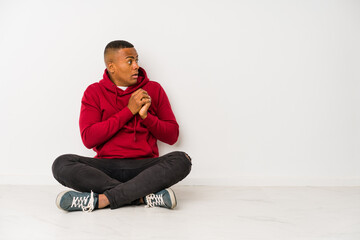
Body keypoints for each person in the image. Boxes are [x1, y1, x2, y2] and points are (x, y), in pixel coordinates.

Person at [52, 40, 192, 212]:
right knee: (61, 164)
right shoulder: (94, 92)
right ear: (112, 67)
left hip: (144, 168)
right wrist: (129, 111)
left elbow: (172, 136)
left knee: (181, 160)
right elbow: (89, 138)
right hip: (105, 169)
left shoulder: (153, 89)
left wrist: (146, 117)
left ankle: (101, 200)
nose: (136, 66)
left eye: (137, 60)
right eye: (129, 61)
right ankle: (142, 196)